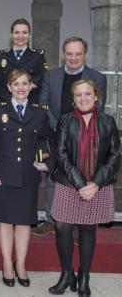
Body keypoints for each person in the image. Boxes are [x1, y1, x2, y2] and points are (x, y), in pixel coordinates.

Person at [48, 80, 119, 297]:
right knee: (62, 227)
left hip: (97, 185)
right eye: (78, 95)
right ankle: (67, 273)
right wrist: (80, 184)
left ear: (96, 96)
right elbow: (60, 154)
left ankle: (84, 276)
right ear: (73, 99)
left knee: (88, 229)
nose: (83, 98)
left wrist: (95, 183)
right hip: (70, 183)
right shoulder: (65, 120)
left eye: (87, 94)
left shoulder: (108, 121)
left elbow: (115, 155)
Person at [0, 69, 55, 287]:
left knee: (24, 223)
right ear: (9, 87)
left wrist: (48, 163)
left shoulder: (39, 113)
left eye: (25, 84)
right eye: (16, 84)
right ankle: (7, 264)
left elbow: (53, 140)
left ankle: (21, 265)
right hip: (3, 174)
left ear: (31, 87)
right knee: (5, 221)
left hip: (28, 174)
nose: (21, 88)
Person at [35, 36, 107, 236]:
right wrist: (58, 127)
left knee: (81, 176)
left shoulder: (98, 77)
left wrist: (75, 130)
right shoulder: (51, 76)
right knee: (52, 177)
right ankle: (51, 219)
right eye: (69, 54)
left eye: (78, 54)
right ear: (63, 55)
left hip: (84, 137)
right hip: (54, 132)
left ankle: (77, 223)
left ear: (85, 54)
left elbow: (98, 107)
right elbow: (43, 103)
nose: (73, 58)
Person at [0, 18, 48, 103]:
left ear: (29, 35)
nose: (20, 36)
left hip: (31, 105)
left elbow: (44, 82)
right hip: (6, 105)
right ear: (11, 35)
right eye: (17, 33)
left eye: (24, 32)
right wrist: (9, 101)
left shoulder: (38, 56)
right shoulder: (0, 56)